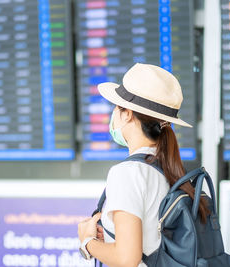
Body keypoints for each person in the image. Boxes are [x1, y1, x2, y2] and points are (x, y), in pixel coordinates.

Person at [77, 63, 209, 267]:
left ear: (127, 113)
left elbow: (127, 258)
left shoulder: (128, 173)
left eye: (117, 106)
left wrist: (87, 242)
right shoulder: (168, 169)